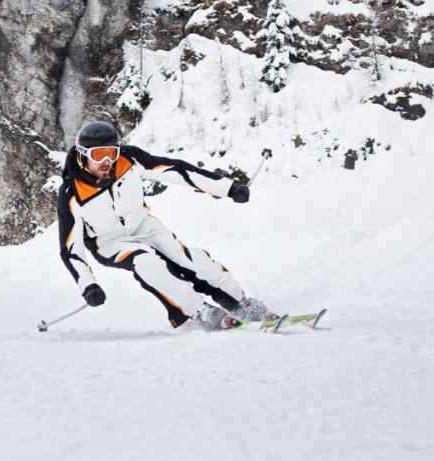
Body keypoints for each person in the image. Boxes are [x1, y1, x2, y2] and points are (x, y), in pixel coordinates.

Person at [57, 121, 274, 330]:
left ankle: (241, 303)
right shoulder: (71, 194)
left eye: (111, 153)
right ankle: (198, 311)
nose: (106, 160)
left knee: (191, 259)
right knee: (146, 263)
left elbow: (177, 171)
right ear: (83, 155)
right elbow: (71, 249)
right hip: (109, 242)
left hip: (144, 225)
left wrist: (228, 188)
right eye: (98, 154)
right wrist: (88, 286)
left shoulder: (129, 159)